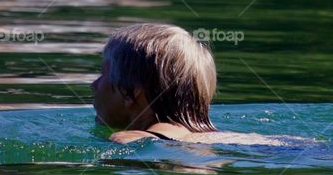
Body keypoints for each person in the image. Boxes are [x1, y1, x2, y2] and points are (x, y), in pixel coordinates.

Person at [91, 23, 282, 145]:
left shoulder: (130, 140)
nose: (94, 85)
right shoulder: (230, 138)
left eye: (103, 74)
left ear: (132, 92)